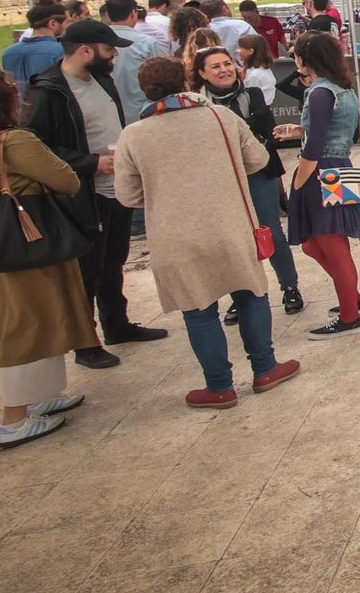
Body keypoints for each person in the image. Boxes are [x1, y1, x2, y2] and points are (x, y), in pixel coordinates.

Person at [115, 56, 301, 408]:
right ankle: (265, 368)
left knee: (198, 310)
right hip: (229, 221)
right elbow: (259, 161)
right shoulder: (220, 117)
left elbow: (127, 195)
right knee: (250, 294)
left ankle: (218, 387)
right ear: (187, 81)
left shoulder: (134, 135)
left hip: (174, 234)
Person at [0, 67, 97, 448]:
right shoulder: (13, 141)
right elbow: (67, 180)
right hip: (21, 235)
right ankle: (13, 419)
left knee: (35, 311)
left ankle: (42, 395)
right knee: (24, 320)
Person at [25, 20, 168, 369]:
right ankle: (84, 342)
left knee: (113, 260)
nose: (114, 56)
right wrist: (89, 163)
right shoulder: (49, 91)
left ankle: (116, 324)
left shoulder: (101, 80)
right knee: (86, 269)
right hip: (81, 193)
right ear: (85, 51)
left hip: (114, 189)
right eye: (108, 50)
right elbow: (33, 145)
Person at [192, 46, 303, 318]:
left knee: (270, 230)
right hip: (220, 179)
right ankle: (241, 294)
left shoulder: (251, 94)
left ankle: (290, 287)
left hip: (258, 173)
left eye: (227, 64)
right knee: (231, 238)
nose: (224, 70)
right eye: (216, 66)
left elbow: (267, 130)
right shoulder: (197, 104)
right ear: (201, 73)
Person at [278, 33, 360, 338]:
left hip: (322, 172)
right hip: (337, 167)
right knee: (316, 244)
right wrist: (299, 130)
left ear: (304, 59)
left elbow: (316, 145)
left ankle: (349, 314)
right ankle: (352, 299)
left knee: (332, 246)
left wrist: (299, 180)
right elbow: (329, 132)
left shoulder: (320, 92)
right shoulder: (340, 90)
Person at [101, 0, 166, 124]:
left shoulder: (97, 41)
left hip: (107, 113)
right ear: (133, 13)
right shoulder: (146, 43)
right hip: (141, 111)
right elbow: (159, 77)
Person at [1, 0, 67, 99]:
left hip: (18, 110)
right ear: (53, 23)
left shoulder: (8, 53)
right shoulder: (60, 50)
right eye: (66, 22)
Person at [236, 34, 278, 104]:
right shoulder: (260, 70)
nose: (237, 50)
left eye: (240, 48)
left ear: (250, 51)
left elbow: (248, 97)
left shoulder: (255, 75)